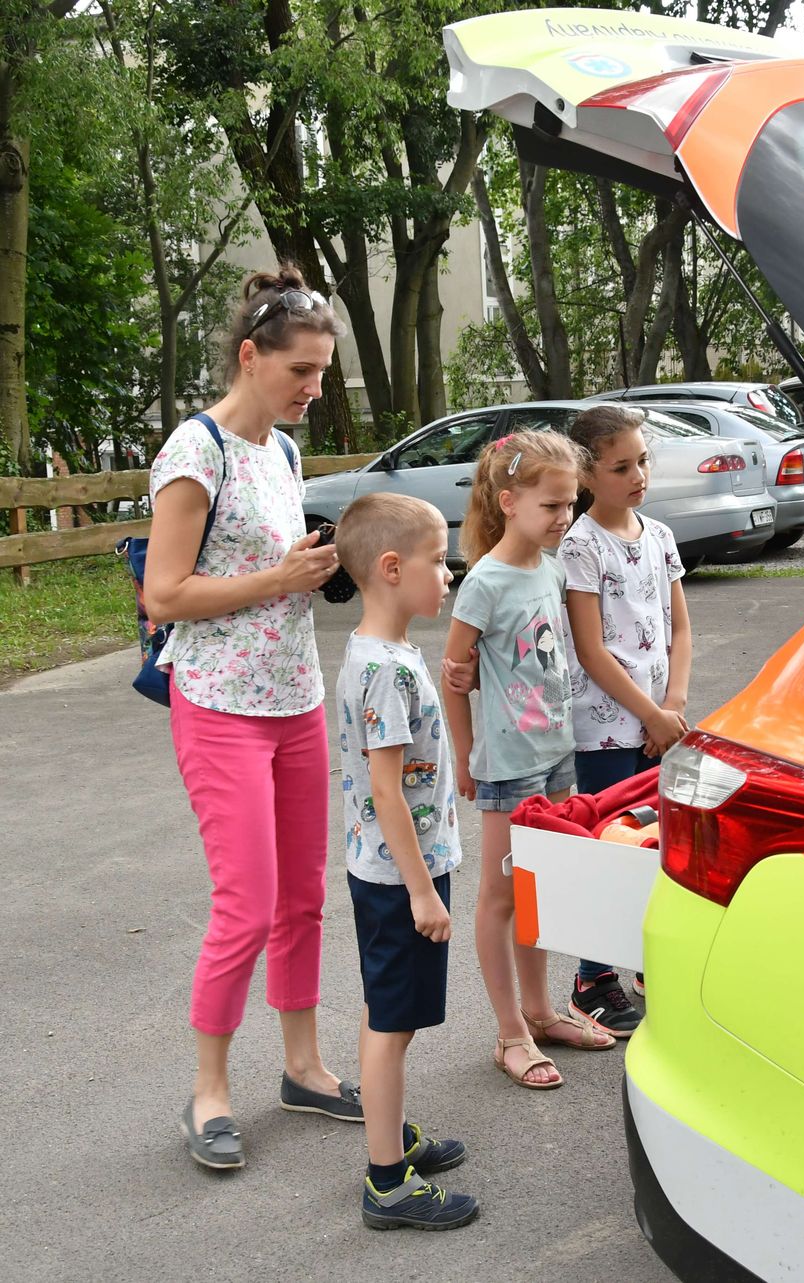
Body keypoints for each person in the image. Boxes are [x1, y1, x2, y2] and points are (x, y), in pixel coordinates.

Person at [145, 265, 359, 1171]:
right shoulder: (196, 451)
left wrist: (310, 563)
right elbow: (165, 593)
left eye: (321, 372)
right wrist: (278, 577)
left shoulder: (284, 452)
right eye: (299, 370)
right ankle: (209, 1092)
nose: (313, 388)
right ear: (249, 355)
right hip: (220, 704)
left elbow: (264, 563)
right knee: (247, 902)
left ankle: (303, 1067)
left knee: (303, 896)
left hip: (294, 696)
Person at [441, 431, 616, 1091]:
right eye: (551, 505)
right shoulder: (484, 583)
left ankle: (541, 1012)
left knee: (538, 889)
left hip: (554, 755)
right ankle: (510, 1030)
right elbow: (454, 675)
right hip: (507, 764)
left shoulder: (551, 568)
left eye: (570, 504)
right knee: (501, 895)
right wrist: (466, 756)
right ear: (509, 502)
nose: (564, 517)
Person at [332, 493, 478, 1231]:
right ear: (392, 568)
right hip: (400, 879)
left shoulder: (381, 654)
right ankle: (387, 1181)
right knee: (392, 1024)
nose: (449, 573)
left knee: (386, 1012)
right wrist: (424, 893)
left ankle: (390, 1136)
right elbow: (387, 790)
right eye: (438, 560)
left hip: (388, 870)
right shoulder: (385, 670)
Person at [561, 405, 691, 1028]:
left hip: (661, 723)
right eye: (621, 467)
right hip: (607, 729)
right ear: (587, 475)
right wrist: (649, 714)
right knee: (609, 851)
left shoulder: (659, 536)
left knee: (656, 843)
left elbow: (680, 629)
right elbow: (591, 651)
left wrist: (673, 708)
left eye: (642, 461)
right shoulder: (580, 546)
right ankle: (592, 977)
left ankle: (644, 958)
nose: (638, 475)